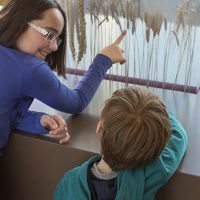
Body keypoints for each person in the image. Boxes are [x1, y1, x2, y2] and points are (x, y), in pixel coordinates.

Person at [0, 0, 126, 150]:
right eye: (48, 34)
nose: (54, 46)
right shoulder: (29, 69)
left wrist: (37, 120)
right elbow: (76, 102)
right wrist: (104, 59)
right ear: (20, 21)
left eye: (56, 38)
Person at [54, 86, 188, 200]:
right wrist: (152, 114)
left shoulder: (69, 183)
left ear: (100, 128)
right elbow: (179, 136)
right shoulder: (155, 171)